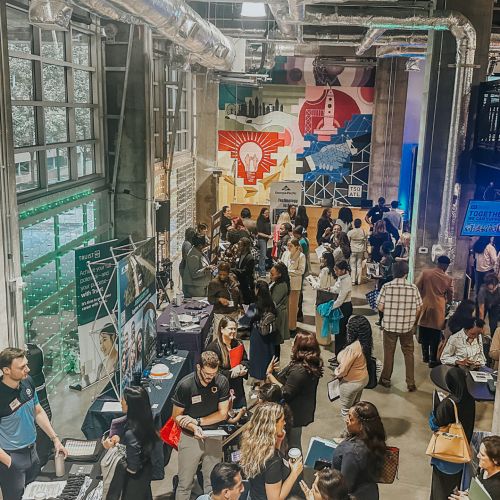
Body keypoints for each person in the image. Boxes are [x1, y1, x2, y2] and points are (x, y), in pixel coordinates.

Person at [0, 348, 68, 500]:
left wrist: (55, 439)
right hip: (12, 458)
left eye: (27, 364)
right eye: (22, 367)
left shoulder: (28, 381)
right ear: (6, 370)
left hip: (33, 453)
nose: (28, 369)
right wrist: (10, 462)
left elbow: (37, 411)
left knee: (35, 494)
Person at [171, 351, 230, 500]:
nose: (210, 377)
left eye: (214, 374)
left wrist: (197, 421)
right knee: (185, 483)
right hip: (190, 437)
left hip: (213, 435)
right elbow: (176, 416)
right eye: (207, 373)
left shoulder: (221, 382)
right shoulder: (185, 385)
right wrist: (192, 427)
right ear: (199, 367)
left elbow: (223, 413)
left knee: (212, 483)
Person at [103, 386, 163, 500]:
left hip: (134, 481)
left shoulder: (131, 434)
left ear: (131, 405)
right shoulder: (148, 420)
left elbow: (132, 468)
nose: (121, 402)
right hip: (146, 472)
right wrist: (118, 439)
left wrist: (117, 450)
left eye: (124, 400)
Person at [266, 331, 323, 451]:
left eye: (294, 341)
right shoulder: (309, 364)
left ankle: (295, 468)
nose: (292, 343)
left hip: (294, 414)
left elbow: (286, 392)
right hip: (300, 411)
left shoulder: (299, 370)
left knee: (292, 445)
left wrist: (270, 375)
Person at [239, 402, 303, 500]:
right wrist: (294, 473)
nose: (285, 423)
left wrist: (278, 442)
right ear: (272, 425)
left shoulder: (253, 445)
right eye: (282, 420)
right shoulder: (272, 460)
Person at [429, 367, 475, 500]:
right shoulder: (470, 400)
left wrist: (435, 409)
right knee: (453, 491)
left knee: (439, 492)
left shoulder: (448, 404)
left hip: (445, 456)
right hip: (461, 453)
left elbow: (435, 425)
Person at [377, 261, 422, 391]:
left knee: (389, 353)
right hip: (406, 327)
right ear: (406, 274)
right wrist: (413, 321)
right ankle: (410, 383)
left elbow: (380, 306)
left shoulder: (386, 286)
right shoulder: (413, 288)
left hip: (389, 327)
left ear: (393, 272)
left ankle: (385, 379)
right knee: (409, 354)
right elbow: (419, 307)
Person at [332, 401, 387, 500]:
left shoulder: (352, 453)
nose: (346, 420)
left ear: (361, 425)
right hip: (370, 494)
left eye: (350, 418)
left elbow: (345, 487)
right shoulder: (374, 441)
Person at [416, 255, 454, 367]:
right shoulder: (448, 279)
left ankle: (425, 356)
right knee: (435, 334)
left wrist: (423, 296)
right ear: (446, 265)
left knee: (424, 331)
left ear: (437, 263)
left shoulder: (426, 273)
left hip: (425, 305)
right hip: (439, 308)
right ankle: (433, 359)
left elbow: (417, 286)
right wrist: (447, 302)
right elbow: (450, 295)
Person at [206, 317, 248, 408]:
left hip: (238, 387)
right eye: (230, 328)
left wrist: (241, 367)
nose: (233, 331)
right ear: (221, 329)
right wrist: (231, 373)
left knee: (240, 414)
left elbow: (245, 361)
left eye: (235, 329)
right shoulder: (213, 348)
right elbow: (212, 372)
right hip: (222, 388)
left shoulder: (238, 343)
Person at [334, 316, 371, 418]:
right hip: (363, 379)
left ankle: (350, 432)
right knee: (356, 406)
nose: (346, 326)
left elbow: (343, 370)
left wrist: (336, 372)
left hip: (351, 383)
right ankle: (358, 429)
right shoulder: (365, 343)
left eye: (349, 326)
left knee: (346, 412)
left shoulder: (352, 348)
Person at [449, 435, 500, 499]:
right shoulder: (485, 469)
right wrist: (468, 494)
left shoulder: (496, 488)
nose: (478, 456)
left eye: (482, 455)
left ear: (495, 460)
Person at [248, 280, 277, 382]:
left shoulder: (254, 306)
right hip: (270, 334)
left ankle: (258, 379)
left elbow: (247, 321)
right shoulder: (272, 304)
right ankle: (268, 375)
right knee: (267, 355)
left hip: (257, 335)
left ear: (257, 290)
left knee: (257, 357)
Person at [281, 239, 306, 337]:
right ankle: (285, 326)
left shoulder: (301, 256)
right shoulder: (285, 253)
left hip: (295, 285)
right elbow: (282, 265)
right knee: (285, 306)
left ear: (296, 246)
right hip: (285, 283)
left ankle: (292, 327)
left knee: (293, 307)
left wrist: (288, 271)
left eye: (290, 245)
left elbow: (301, 271)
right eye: (287, 245)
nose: (288, 247)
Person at [207, 262, 240, 334]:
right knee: (220, 337)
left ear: (228, 273)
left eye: (224, 275)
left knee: (232, 336)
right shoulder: (214, 283)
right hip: (220, 314)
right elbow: (210, 299)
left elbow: (238, 294)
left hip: (233, 313)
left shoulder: (233, 279)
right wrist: (219, 299)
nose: (222, 276)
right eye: (220, 274)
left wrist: (240, 307)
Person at [330, 261, 353, 355]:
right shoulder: (341, 278)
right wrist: (329, 289)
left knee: (340, 334)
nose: (335, 271)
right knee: (338, 332)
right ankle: (338, 355)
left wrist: (330, 308)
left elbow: (341, 298)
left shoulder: (346, 280)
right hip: (340, 306)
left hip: (344, 307)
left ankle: (339, 356)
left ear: (343, 270)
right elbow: (336, 288)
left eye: (337, 270)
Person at [314, 252, 336, 346]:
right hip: (331, 297)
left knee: (321, 320)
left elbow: (320, 285)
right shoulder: (334, 270)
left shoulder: (324, 270)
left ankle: (321, 340)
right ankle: (327, 339)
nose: (321, 258)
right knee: (327, 319)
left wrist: (314, 283)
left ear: (326, 259)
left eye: (322, 257)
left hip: (322, 297)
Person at [183, 233, 214, 298]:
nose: (207, 244)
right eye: (206, 243)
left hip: (201, 286)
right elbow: (194, 274)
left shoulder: (199, 252)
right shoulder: (193, 256)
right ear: (200, 245)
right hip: (196, 289)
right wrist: (206, 268)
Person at [269, 262, 290, 358]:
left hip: (278, 316)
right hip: (275, 314)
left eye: (272, 274)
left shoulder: (281, 286)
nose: (270, 276)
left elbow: (273, 302)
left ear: (279, 274)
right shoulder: (275, 283)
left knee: (275, 342)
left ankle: (275, 363)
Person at [233, 237, 255, 306]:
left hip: (246, 286)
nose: (238, 246)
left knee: (246, 304)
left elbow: (245, 272)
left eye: (240, 244)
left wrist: (233, 270)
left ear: (245, 246)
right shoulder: (239, 255)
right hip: (239, 283)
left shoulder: (250, 258)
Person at [347, 219, 367, 286]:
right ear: (360, 224)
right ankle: (358, 281)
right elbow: (365, 241)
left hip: (353, 250)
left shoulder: (351, 232)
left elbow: (347, 241)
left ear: (354, 224)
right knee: (359, 266)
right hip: (360, 250)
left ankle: (353, 280)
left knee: (352, 266)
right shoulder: (363, 232)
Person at [180, 227, 197, 294]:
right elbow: (187, 258)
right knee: (187, 288)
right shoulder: (187, 244)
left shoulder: (188, 243)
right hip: (184, 268)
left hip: (186, 267)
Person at [256, 208, 272, 277]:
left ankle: (263, 271)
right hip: (262, 239)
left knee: (265, 256)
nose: (267, 214)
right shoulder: (260, 220)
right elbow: (259, 233)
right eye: (266, 213)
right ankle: (262, 272)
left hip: (267, 240)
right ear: (262, 213)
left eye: (268, 213)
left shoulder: (268, 220)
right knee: (263, 256)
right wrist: (268, 236)